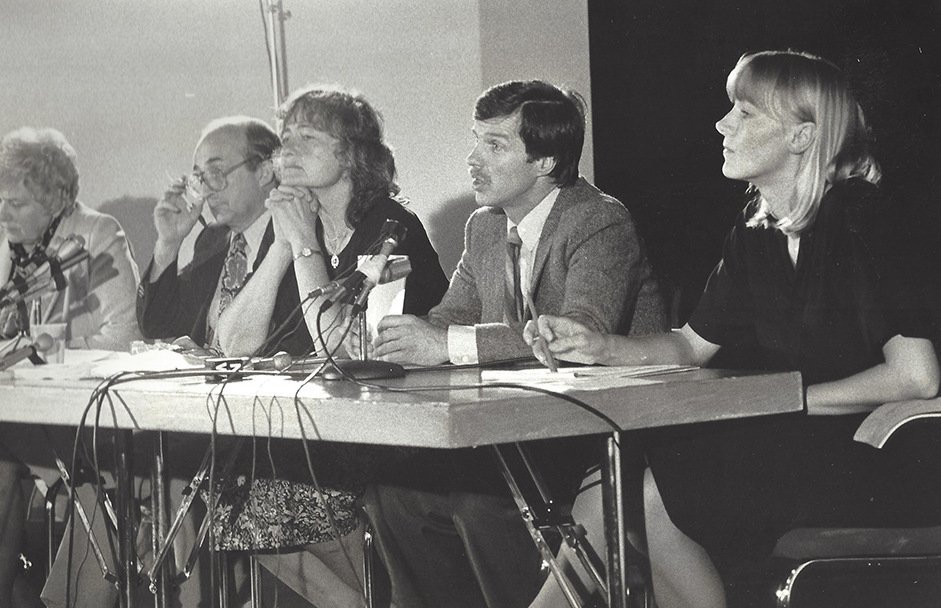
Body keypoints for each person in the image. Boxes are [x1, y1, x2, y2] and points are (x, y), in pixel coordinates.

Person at [525, 50, 940, 608]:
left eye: (744, 112)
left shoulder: (864, 219)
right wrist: (599, 346)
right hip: (807, 444)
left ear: (801, 137)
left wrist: (778, 400)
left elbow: (916, 378)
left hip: (886, 456)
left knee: (631, 486)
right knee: (618, 480)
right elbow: (690, 346)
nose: (723, 124)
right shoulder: (756, 232)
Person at [363, 80, 666, 608]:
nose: (472, 159)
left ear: (545, 160)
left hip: (599, 438)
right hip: (524, 434)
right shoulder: (484, 226)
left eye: (494, 145)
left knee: (480, 505)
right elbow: (449, 320)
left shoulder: (599, 218)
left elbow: (575, 332)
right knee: (396, 498)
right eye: (475, 140)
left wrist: (444, 343)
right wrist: (392, 339)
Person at [208, 85, 449, 608]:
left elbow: (341, 346)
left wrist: (304, 248)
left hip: (384, 439)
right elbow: (234, 340)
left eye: (309, 138)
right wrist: (285, 244)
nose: (288, 150)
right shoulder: (301, 225)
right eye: (286, 137)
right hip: (315, 434)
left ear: (353, 155)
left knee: (234, 492)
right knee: (218, 484)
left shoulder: (390, 228)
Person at [0, 127, 142, 608]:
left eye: (17, 203)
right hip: (3, 404)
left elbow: (123, 340)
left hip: (73, 413)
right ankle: (20, 593)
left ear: (56, 198)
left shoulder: (97, 234)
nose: (2, 214)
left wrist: (42, 348)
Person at [136, 115, 289, 354]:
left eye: (217, 173)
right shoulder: (213, 239)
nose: (206, 191)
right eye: (200, 178)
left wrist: (215, 361)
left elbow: (294, 345)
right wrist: (169, 242)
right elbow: (156, 323)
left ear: (264, 172)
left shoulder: (293, 235)